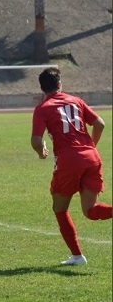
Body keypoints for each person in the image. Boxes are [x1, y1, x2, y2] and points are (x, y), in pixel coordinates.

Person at [31, 67, 112, 266]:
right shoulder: (76, 101)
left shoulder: (43, 108)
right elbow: (99, 123)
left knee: (60, 208)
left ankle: (77, 256)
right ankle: (76, 257)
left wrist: (41, 153)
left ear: (42, 88)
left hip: (68, 161)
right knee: (91, 211)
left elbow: (36, 139)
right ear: (59, 84)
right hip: (91, 157)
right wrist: (90, 146)